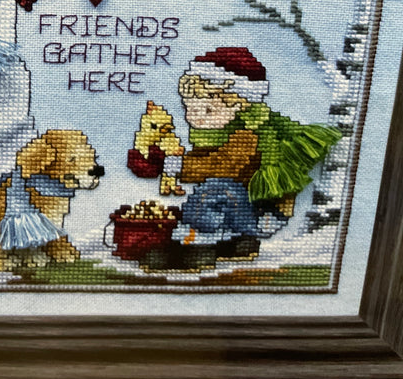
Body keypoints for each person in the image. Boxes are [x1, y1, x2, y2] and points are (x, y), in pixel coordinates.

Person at [130, 46, 341, 269]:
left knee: (213, 191)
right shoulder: (215, 133)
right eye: (189, 109)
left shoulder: (247, 135)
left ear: (239, 103)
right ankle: (229, 243)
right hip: (240, 208)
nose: (195, 118)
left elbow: (223, 166)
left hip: (262, 211)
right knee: (209, 195)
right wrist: (162, 162)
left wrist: (176, 165)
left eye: (208, 110)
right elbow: (203, 161)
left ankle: (198, 245)